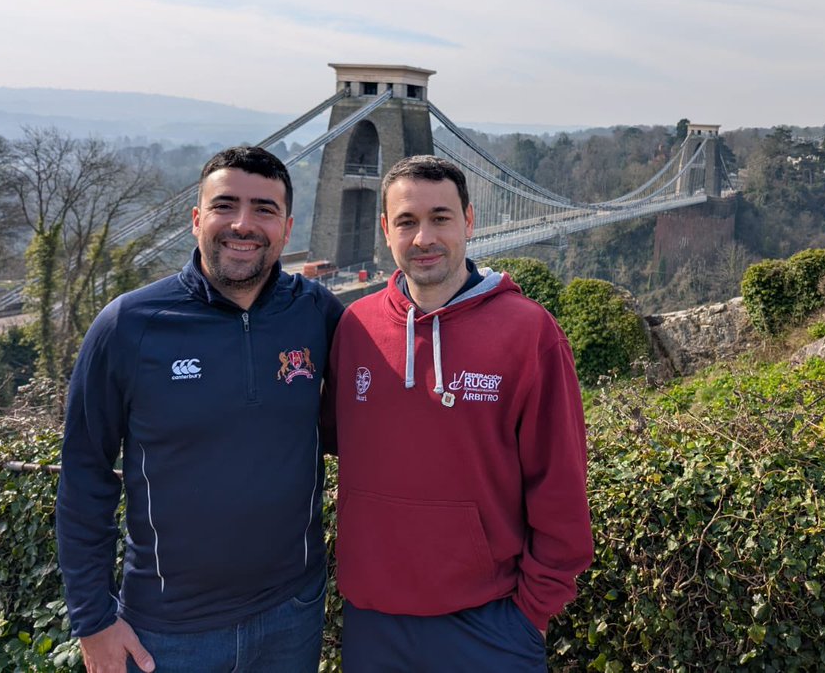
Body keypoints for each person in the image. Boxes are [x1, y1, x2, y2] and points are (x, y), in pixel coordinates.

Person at [56, 146, 344, 673]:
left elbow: (366, 417)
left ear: (287, 227)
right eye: (225, 205)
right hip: (166, 631)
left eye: (264, 209)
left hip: (293, 614)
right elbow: (84, 474)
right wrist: (93, 621)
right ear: (196, 220)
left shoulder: (318, 313)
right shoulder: (129, 325)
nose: (243, 224)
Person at [324, 155, 593, 672]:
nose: (423, 237)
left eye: (440, 218)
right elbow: (334, 443)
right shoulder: (355, 327)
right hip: (372, 621)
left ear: (469, 221)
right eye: (406, 221)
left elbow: (559, 483)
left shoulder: (530, 333)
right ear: (386, 230)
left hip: (489, 625)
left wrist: (531, 613)